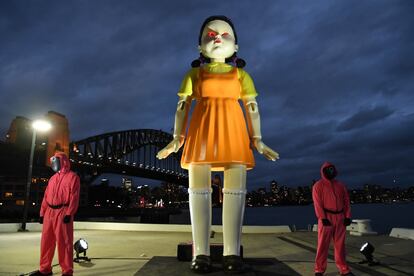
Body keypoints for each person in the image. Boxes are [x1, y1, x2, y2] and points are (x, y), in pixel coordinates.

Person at [157, 15, 279, 273]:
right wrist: (177, 138)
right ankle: (200, 252)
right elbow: (182, 106)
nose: (218, 39)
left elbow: (252, 107)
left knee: (235, 193)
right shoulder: (194, 74)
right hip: (201, 131)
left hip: (234, 132)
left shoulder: (242, 75)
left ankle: (231, 252)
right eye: (210, 36)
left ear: (236, 47)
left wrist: (258, 139)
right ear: (199, 47)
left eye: (225, 35)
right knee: (198, 193)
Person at [30, 152, 80, 276]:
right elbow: (46, 197)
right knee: (46, 242)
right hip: (49, 212)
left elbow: (74, 197)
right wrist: (42, 213)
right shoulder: (52, 178)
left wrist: (69, 213)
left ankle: (67, 272)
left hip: (63, 212)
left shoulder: (73, 177)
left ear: (62, 161)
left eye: (55, 161)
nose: (53, 164)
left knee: (64, 243)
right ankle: (45, 269)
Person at [312, 162, 353, 276]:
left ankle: (343, 269)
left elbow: (346, 202)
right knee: (322, 245)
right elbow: (317, 203)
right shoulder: (318, 186)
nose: (331, 171)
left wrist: (347, 216)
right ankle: (319, 270)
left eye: (332, 169)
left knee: (340, 245)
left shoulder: (341, 185)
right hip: (326, 218)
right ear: (323, 171)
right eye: (328, 169)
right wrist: (322, 218)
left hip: (340, 217)